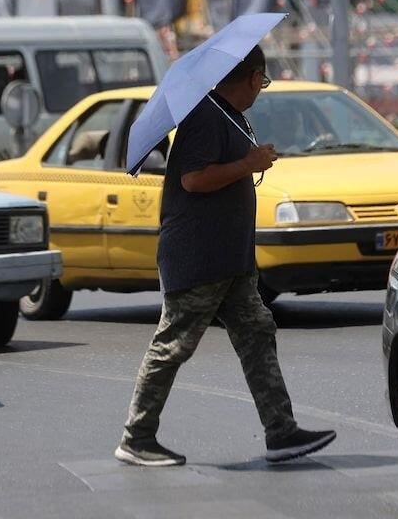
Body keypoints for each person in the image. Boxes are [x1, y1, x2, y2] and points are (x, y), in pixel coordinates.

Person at [115, 46, 336, 467]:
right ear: (252, 77)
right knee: (173, 345)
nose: (261, 89)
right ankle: (136, 438)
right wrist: (248, 163)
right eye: (263, 81)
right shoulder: (204, 116)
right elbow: (193, 179)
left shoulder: (228, 115)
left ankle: (281, 431)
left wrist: (251, 160)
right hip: (199, 258)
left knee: (257, 334)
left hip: (231, 260)